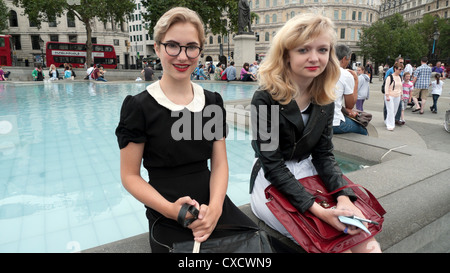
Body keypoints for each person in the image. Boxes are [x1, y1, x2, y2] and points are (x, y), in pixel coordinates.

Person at [115, 7, 257, 253]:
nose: (182, 56)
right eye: (172, 45)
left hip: (212, 203)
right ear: (158, 48)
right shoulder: (139, 107)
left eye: (191, 47)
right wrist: (172, 210)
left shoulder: (212, 101)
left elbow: (220, 164)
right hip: (166, 209)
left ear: (199, 51)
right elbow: (130, 176)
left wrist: (215, 209)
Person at [249, 13, 380, 253]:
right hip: (272, 182)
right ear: (286, 54)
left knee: (369, 244)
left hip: (311, 174)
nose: (314, 58)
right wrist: (320, 211)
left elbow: (323, 155)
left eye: (322, 50)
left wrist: (342, 196)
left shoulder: (325, 98)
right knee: (338, 247)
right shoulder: (264, 98)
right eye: (303, 50)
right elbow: (273, 164)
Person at [332, 44, 367, 135]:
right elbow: (350, 105)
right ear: (344, 59)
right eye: (349, 59)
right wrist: (355, 79)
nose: (348, 62)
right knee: (363, 130)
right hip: (333, 122)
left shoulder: (322, 69)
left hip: (315, 121)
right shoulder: (345, 74)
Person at [384, 57, 404, 124]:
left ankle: (395, 119)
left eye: (402, 62)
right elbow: (386, 82)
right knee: (389, 108)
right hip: (390, 93)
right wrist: (387, 94)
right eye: (400, 62)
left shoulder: (400, 75)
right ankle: (388, 121)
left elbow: (401, 85)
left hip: (397, 93)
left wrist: (401, 94)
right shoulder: (390, 71)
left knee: (396, 108)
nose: (402, 63)